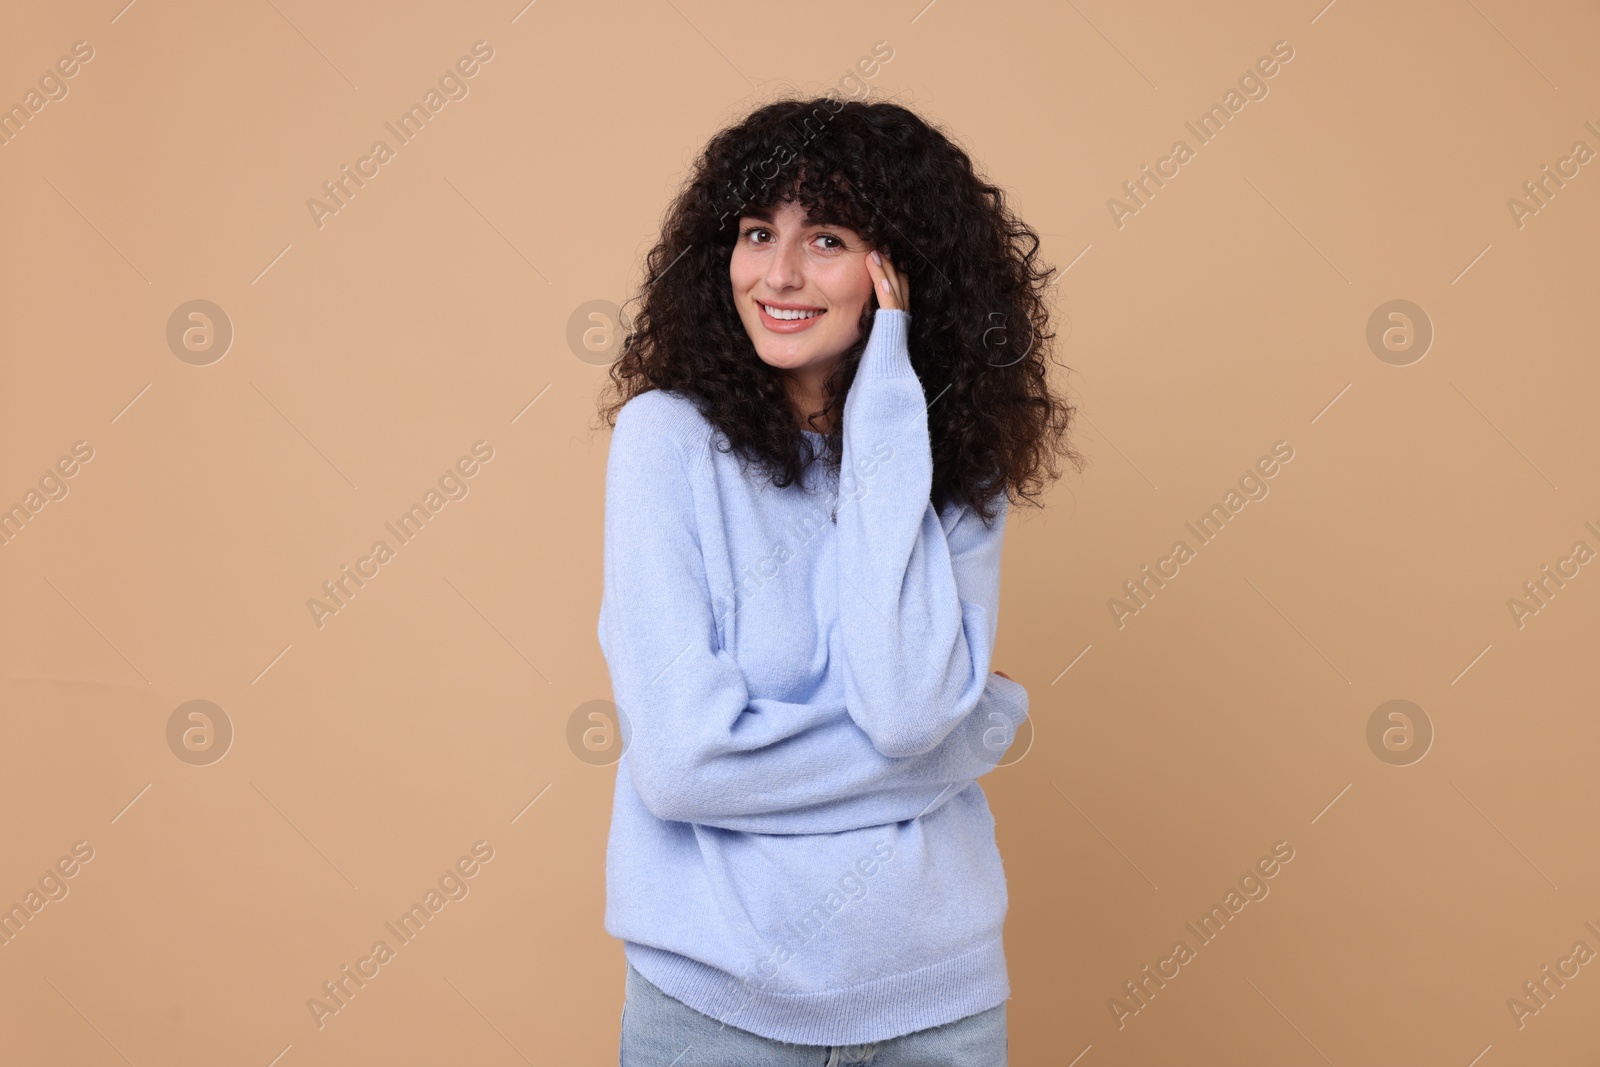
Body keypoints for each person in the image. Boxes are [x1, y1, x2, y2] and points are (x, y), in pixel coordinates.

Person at [594, 95, 1082, 1065]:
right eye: (754, 232)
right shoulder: (666, 441)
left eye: (826, 238)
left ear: (898, 273)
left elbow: (901, 708)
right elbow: (683, 764)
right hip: (713, 1001)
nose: (777, 273)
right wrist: (979, 730)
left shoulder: (955, 467)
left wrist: (890, 403)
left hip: (935, 997)